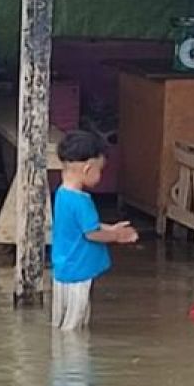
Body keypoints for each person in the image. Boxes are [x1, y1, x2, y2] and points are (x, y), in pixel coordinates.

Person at [51, 131, 137, 330]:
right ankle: (75, 359)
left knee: (61, 321)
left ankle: (61, 357)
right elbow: (92, 233)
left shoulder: (62, 195)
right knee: (75, 325)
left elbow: (83, 226)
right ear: (88, 168)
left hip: (63, 268)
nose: (100, 176)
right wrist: (117, 236)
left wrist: (110, 227)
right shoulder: (82, 201)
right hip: (79, 270)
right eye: (100, 171)